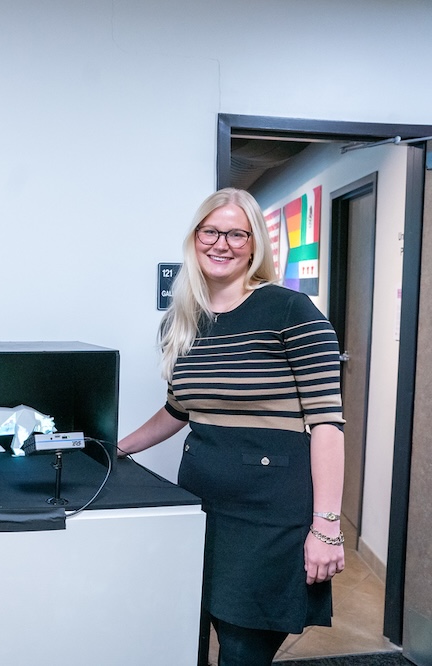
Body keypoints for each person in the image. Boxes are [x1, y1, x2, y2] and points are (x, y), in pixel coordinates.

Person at [117, 188, 346, 666]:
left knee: (243, 649)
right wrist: (118, 448)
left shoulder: (291, 312)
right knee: (188, 637)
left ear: (255, 243)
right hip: (200, 504)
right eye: (211, 231)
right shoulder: (180, 322)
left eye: (236, 233)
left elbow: (328, 424)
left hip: (269, 512)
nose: (222, 243)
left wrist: (326, 528)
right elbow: (179, 410)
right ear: (195, 238)